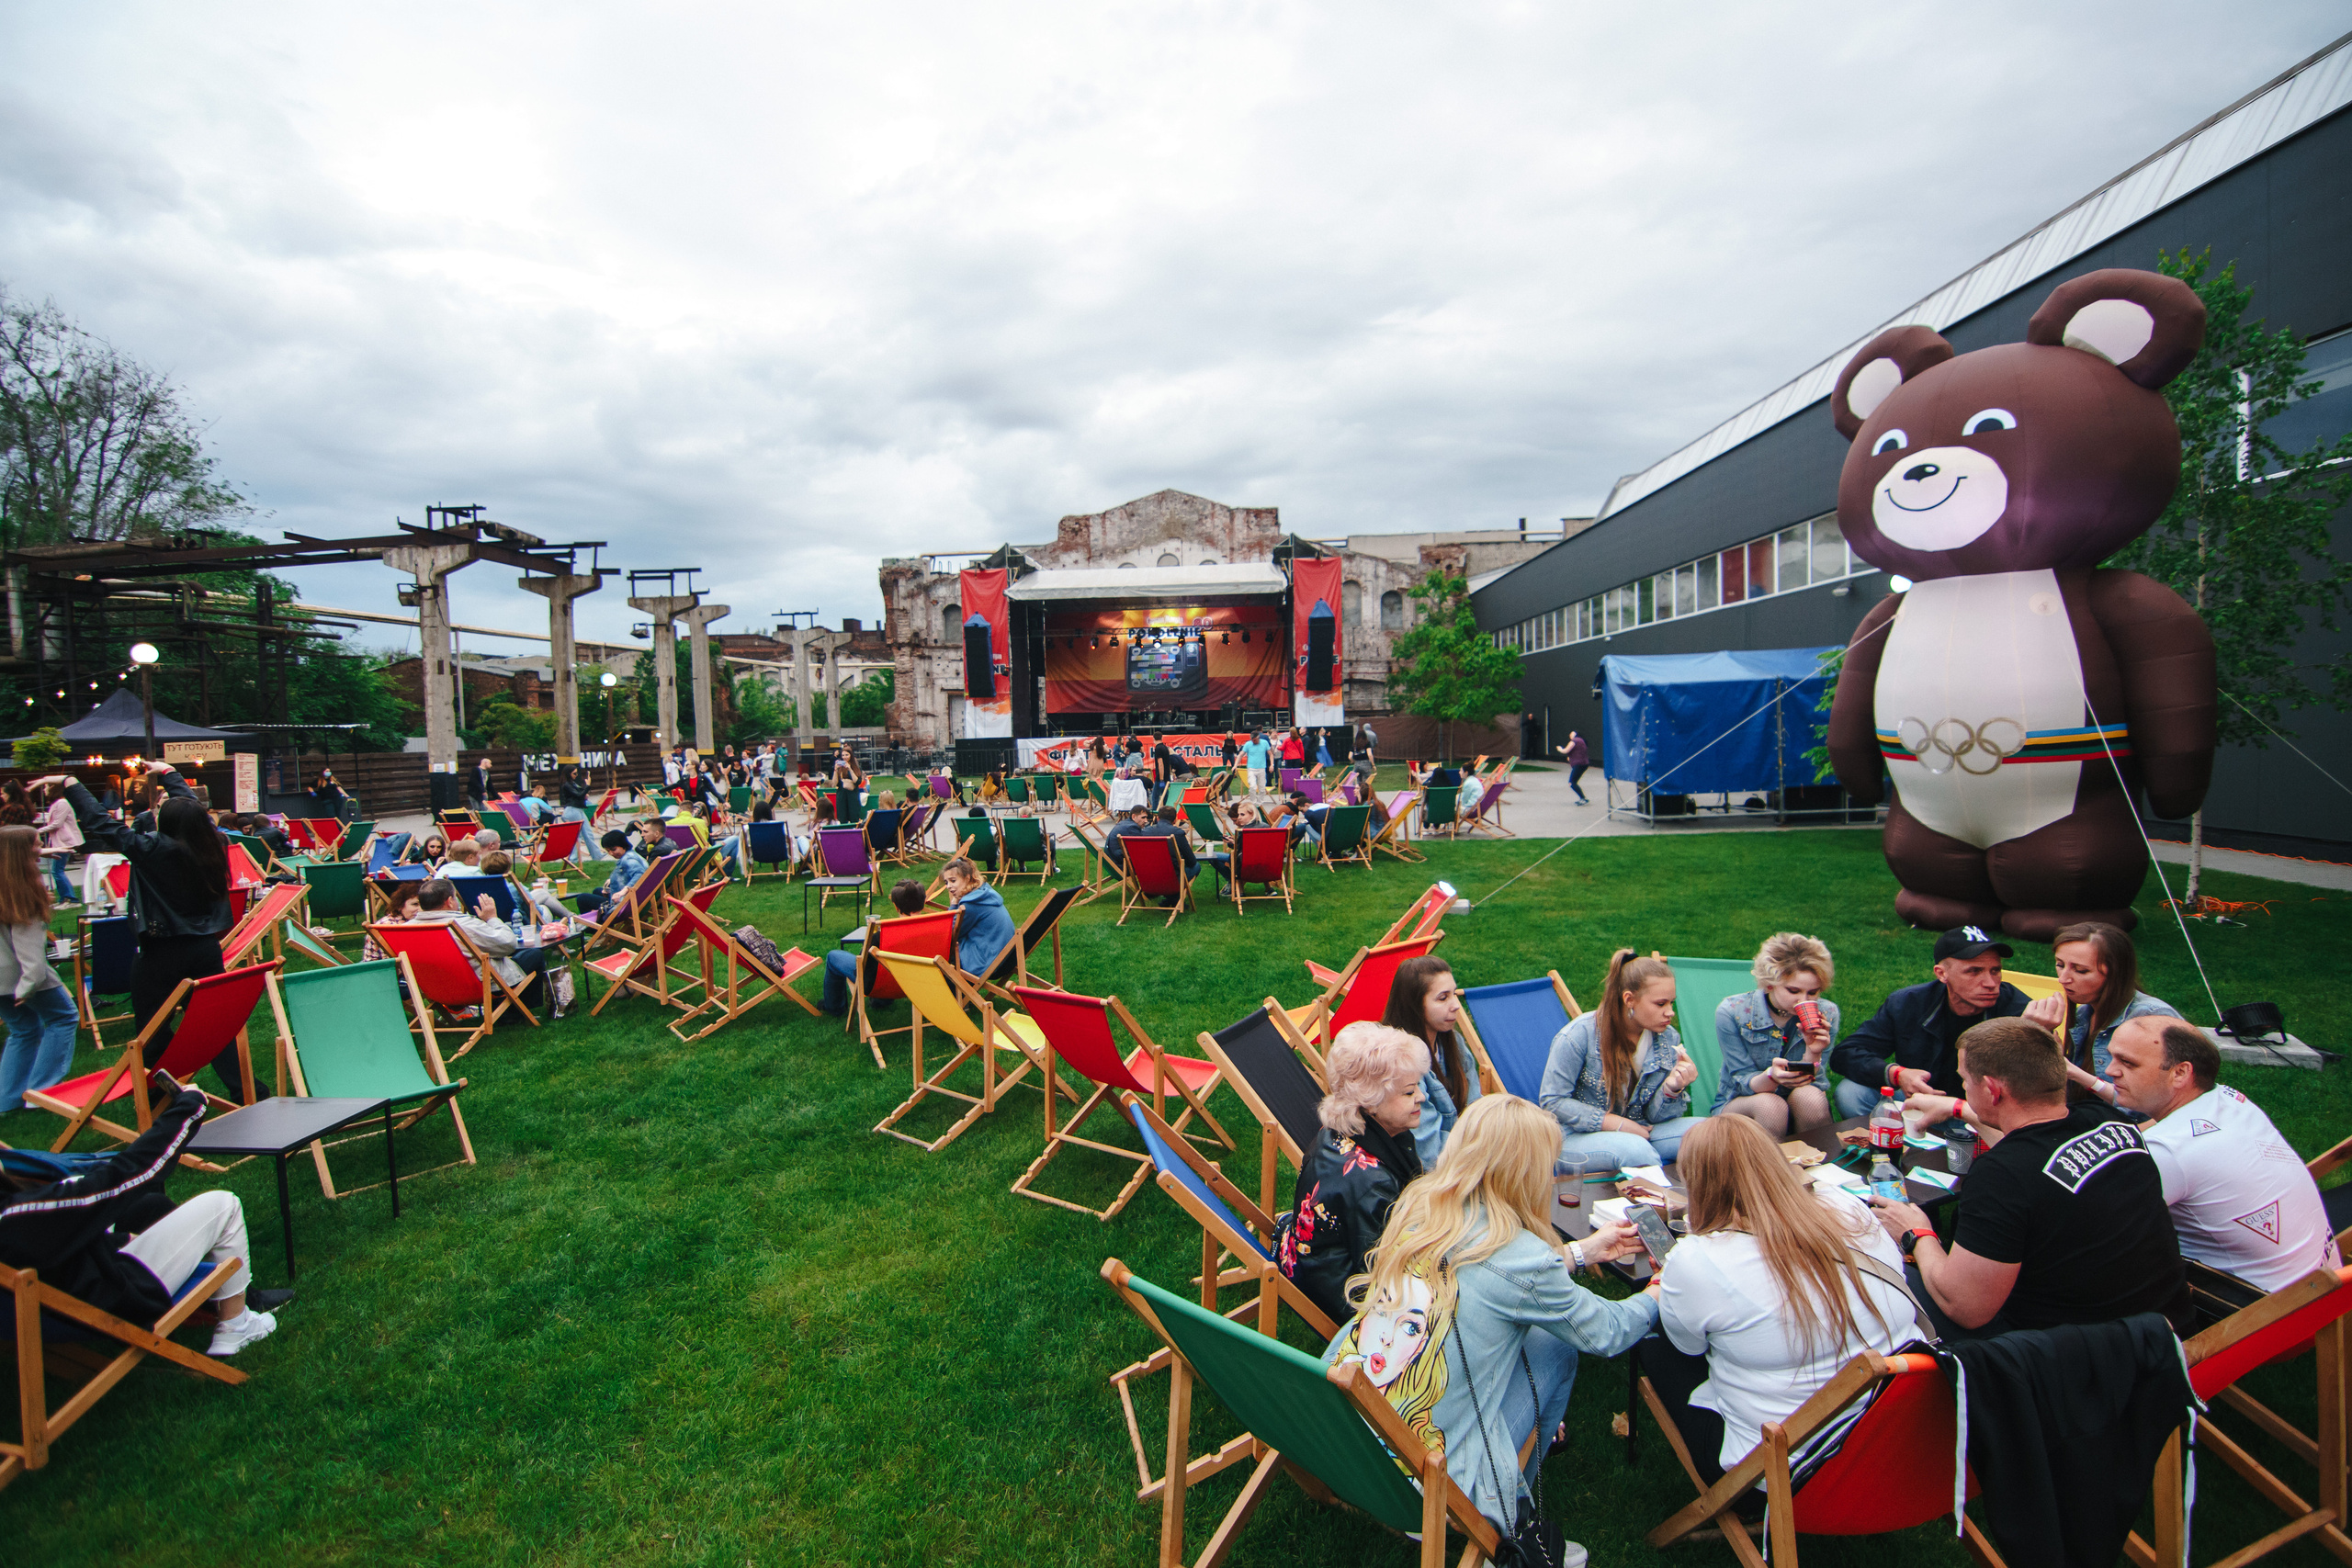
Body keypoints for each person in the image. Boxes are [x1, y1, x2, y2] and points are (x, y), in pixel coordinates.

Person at [1321, 1094, 1655, 1546]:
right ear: (1528, 1174)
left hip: (1345, 1438)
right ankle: (1516, 1514)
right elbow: (1606, 1332)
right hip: (1426, 1481)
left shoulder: (1420, 1210)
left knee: (1527, 1330)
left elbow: (1486, 1273)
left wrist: (1581, 1252)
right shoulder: (1523, 1256)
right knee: (1558, 1343)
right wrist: (1657, 1292)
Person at [1645, 1114, 1922, 1489]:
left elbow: (1688, 1347)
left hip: (1791, 1470)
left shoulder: (1698, 1259)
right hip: (1899, 1437)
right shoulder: (1844, 1204)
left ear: (1699, 1184)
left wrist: (1668, 1285)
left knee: (1652, 1335)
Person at [1869, 1017, 2186, 1340]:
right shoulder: (2106, 1120)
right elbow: (2038, 1154)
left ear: (1992, 1089)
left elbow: (1965, 1309)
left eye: (1965, 1081)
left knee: (1893, 1276)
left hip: (2076, 1357)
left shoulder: (2001, 1176)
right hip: (2166, 1329)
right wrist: (1961, 1109)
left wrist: (1917, 1233)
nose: (1963, 1087)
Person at [0, 1075, 286, 1357]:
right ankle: (236, 1326)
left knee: (149, 1207)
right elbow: (128, 1173)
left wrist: (118, 1239)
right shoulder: (17, 1216)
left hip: (61, 1291)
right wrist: (189, 1107)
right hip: (112, 1299)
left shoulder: (18, 1217)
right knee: (224, 1205)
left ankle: (215, 1304)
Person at [2107, 1019, 2343, 1293]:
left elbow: (2098, 1227)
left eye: (2128, 1063)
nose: (2111, 1070)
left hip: (2261, 1315)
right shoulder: (2229, 1099)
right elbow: (2154, 1131)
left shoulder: (2167, 1153)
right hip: (2324, 1294)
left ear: (2181, 1073)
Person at [52, 766, 246, 1101]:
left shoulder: (153, 851)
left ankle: (162, 1095)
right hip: (205, 946)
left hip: (162, 951)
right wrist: (170, 773)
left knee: (152, 1030)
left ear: (165, 825)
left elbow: (102, 823)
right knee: (214, 1025)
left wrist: (71, 784)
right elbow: (192, 809)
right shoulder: (213, 841)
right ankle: (244, 1090)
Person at [1276, 1021, 1429, 1324]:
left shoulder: (1339, 1131)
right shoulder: (1371, 1184)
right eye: (1409, 1092)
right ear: (1370, 1103)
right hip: (1346, 1296)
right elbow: (1383, 1270)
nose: (1421, 1097)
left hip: (1309, 1258)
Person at [1827, 926, 2030, 1117]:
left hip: (1983, 1114)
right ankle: (1891, 1148)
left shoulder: (2018, 1010)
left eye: (1995, 971)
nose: (1990, 983)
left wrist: (2038, 1032)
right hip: (1921, 1103)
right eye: (1974, 971)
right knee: (1852, 1092)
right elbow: (1846, 1053)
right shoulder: (1908, 1003)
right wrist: (1898, 1074)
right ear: (1942, 974)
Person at [1539, 949, 1702, 1169]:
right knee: (1637, 1152)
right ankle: (1655, 1204)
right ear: (1629, 999)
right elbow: (1552, 1101)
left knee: (1717, 1134)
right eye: (1661, 1004)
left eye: (1672, 1003)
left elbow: (1656, 1117)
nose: (1670, 1012)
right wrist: (1615, 1123)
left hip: (1640, 1129)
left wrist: (1672, 1089)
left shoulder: (1667, 1038)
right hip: (1573, 1137)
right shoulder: (1579, 1035)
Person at [2022, 921, 2181, 1101]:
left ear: (2115, 974)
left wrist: (2071, 1071)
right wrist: (2036, 1035)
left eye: (2080, 970)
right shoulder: (2085, 1013)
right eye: (2060, 964)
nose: (2063, 979)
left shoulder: (2152, 1018)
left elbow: (2161, 1102)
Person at [1714, 932, 1840, 1136]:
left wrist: (1813, 1053)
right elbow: (1742, 1082)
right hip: (1743, 1107)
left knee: (1811, 1098)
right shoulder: (1732, 1012)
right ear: (1770, 983)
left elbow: (1816, 1084)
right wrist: (1771, 1076)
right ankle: (1765, 1168)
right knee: (1770, 1106)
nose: (1803, 1000)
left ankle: (1818, 1166)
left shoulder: (1827, 1013)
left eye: (1813, 992)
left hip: (1796, 1106)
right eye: (1793, 991)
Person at [0, 826, 78, 1113]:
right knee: (64, 1018)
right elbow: (29, 952)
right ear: (24, 852)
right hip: (22, 977)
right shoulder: (23, 893)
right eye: (37, 844)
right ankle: (43, 1093)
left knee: (23, 1030)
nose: (41, 847)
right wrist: (29, 985)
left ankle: (7, 1100)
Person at [1384, 954, 1480, 1166]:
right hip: (1427, 1176)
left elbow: (1477, 1112)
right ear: (1415, 1006)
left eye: (1454, 994)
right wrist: (1485, 1149)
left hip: (1465, 1158)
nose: (1456, 1005)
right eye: (1443, 998)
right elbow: (1430, 1151)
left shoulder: (1454, 1043)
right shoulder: (1402, 1063)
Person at [413, 879, 559, 1013]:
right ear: (450, 901)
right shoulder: (463, 925)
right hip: (477, 987)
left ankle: (509, 1010)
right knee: (534, 955)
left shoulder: (407, 929)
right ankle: (515, 1013)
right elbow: (508, 945)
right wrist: (491, 918)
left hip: (434, 989)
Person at [820, 879, 928, 1016]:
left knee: (833, 956)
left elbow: (863, 965)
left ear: (896, 906)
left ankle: (834, 1008)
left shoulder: (883, 936)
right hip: (920, 981)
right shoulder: (936, 928)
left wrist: (872, 936)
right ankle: (880, 1001)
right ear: (923, 902)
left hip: (884, 984)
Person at [940, 856, 1012, 977]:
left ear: (967, 878)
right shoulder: (984, 892)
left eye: (953, 881)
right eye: (946, 882)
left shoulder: (971, 903)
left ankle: (959, 991)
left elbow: (950, 933)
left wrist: (953, 904)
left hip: (988, 962)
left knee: (946, 949)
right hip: (1007, 957)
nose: (948, 886)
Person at [573, 830, 648, 917]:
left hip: (624, 903)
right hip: (636, 898)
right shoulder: (632, 855)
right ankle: (596, 920)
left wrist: (623, 892)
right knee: (597, 891)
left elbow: (640, 874)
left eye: (613, 849)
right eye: (608, 851)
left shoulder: (629, 860)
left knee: (582, 898)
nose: (611, 853)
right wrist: (611, 881)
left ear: (623, 845)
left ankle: (590, 927)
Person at [37, 779, 82, 907]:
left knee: (57, 871)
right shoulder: (57, 803)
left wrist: (38, 831)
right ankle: (63, 898)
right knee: (57, 870)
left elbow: (57, 824)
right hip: (59, 842)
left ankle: (71, 899)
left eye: (46, 787)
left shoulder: (62, 803)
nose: (44, 790)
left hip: (64, 842)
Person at [360, 882, 424, 964]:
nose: (421, 910)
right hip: (383, 972)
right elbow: (392, 964)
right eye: (415, 904)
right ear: (400, 905)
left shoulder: (413, 922)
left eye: (424, 905)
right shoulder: (390, 927)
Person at [1555, 731, 1590, 805]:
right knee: (1574, 782)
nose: (1570, 735)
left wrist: (1560, 749)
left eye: (1571, 733)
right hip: (1584, 764)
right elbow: (1577, 752)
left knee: (1572, 782)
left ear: (1575, 734)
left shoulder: (1575, 741)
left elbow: (1566, 750)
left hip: (1579, 764)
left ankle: (1583, 798)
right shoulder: (1581, 741)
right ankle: (1582, 798)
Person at [1240, 730, 1272, 795]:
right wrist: (1235, 765)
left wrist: (1272, 765)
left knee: (1262, 787)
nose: (1253, 742)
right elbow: (1241, 754)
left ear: (1258, 738)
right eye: (1252, 740)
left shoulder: (1264, 743)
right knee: (1252, 786)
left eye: (1255, 740)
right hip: (1251, 768)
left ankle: (1259, 803)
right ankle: (1254, 802)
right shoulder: (1248, 744)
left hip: (1262, 768)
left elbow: (1271, 754)